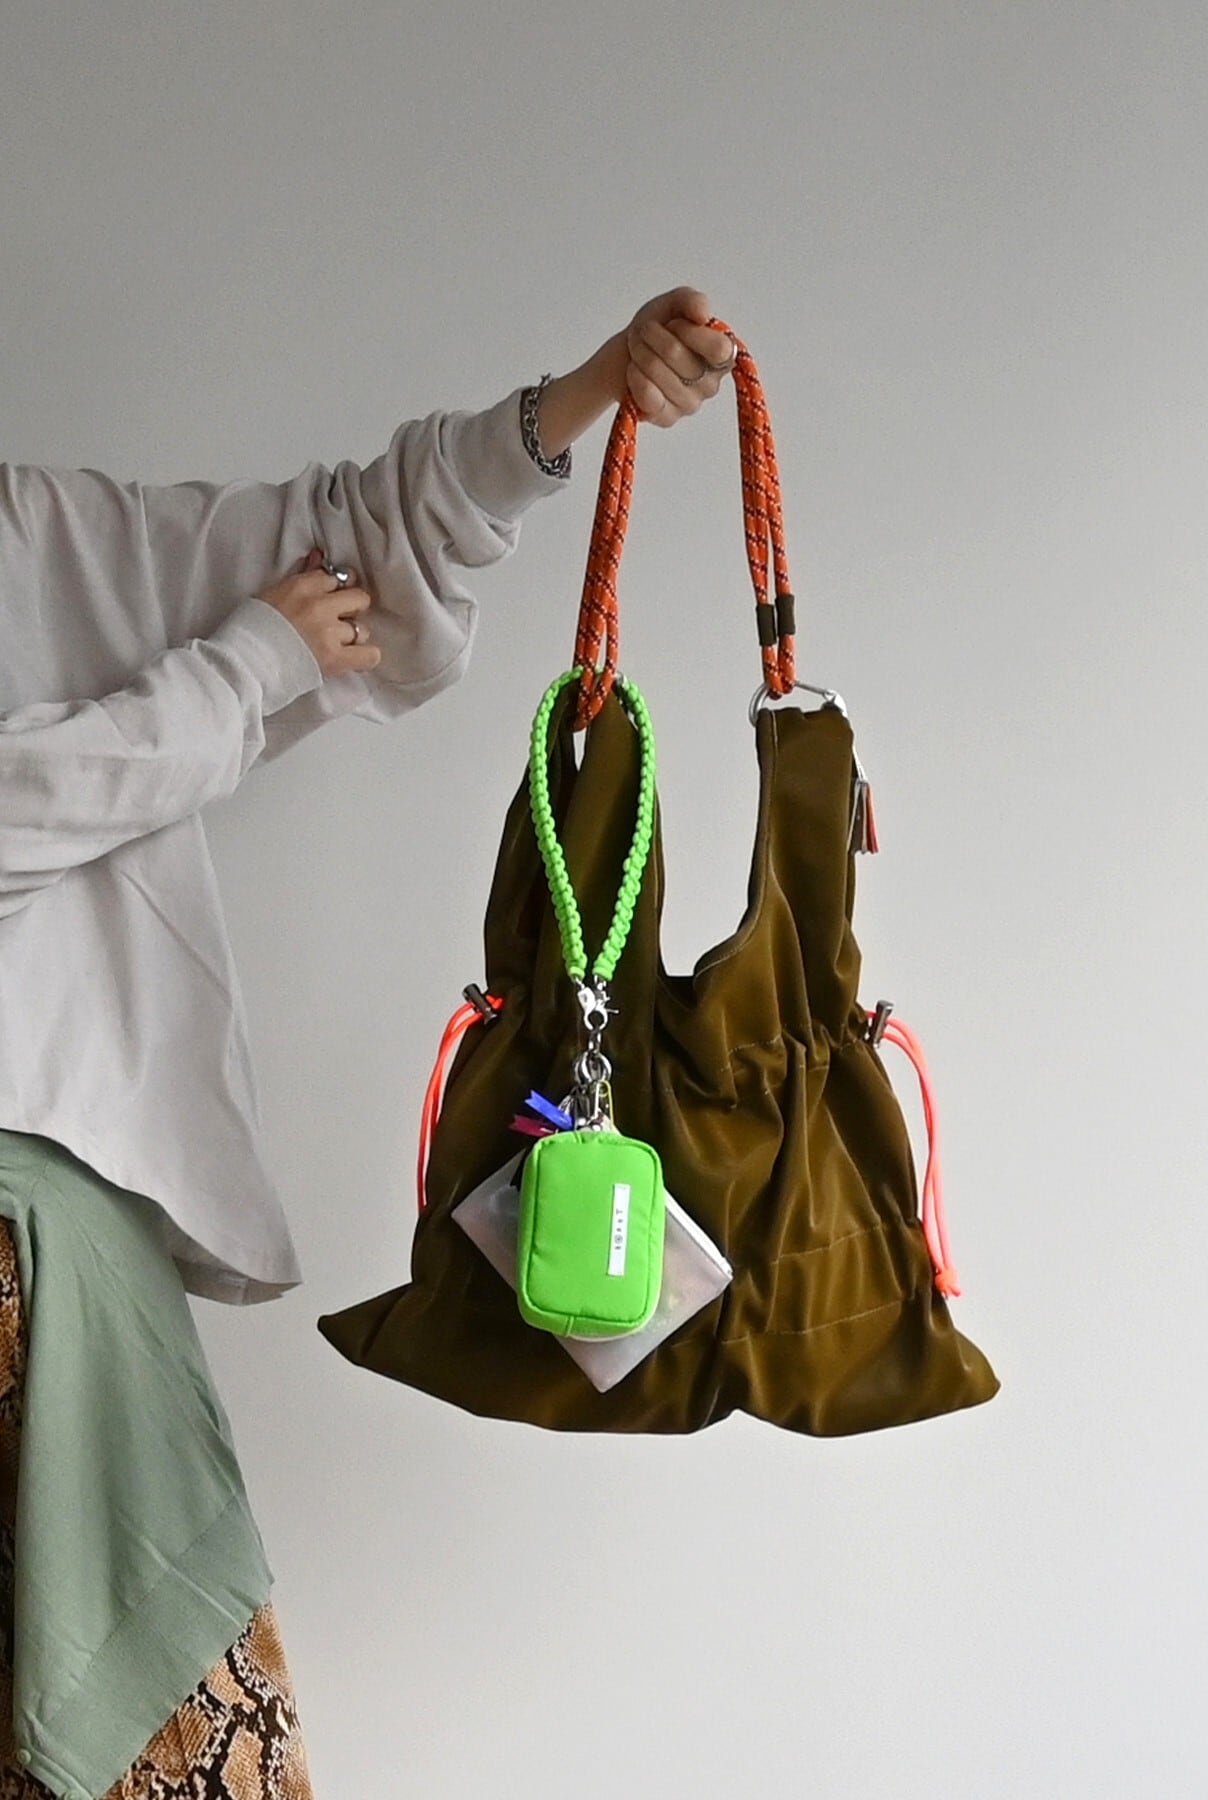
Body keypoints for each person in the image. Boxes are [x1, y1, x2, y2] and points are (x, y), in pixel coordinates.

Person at [0, 286, 736, 1800]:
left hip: (53, 1264)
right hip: (38, 1265)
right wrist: (239, 674)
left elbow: (356, 535)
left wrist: (593, 388)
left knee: (165, 1747)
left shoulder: (37, 538)